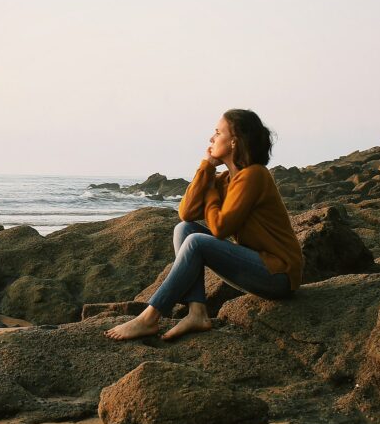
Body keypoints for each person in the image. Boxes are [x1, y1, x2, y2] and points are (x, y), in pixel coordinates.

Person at [104, 109, 304, 341]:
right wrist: (207, 168)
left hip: (279, 274)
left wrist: (209, 190)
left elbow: (219, 229)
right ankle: (197, 311)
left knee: (197, 242)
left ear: (234, 141)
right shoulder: (225, 180)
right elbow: (186, 213)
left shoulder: (255, 175)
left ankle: (150, 317)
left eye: (218, 132)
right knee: (184, 229)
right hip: (257, 264)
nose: (211, 138)